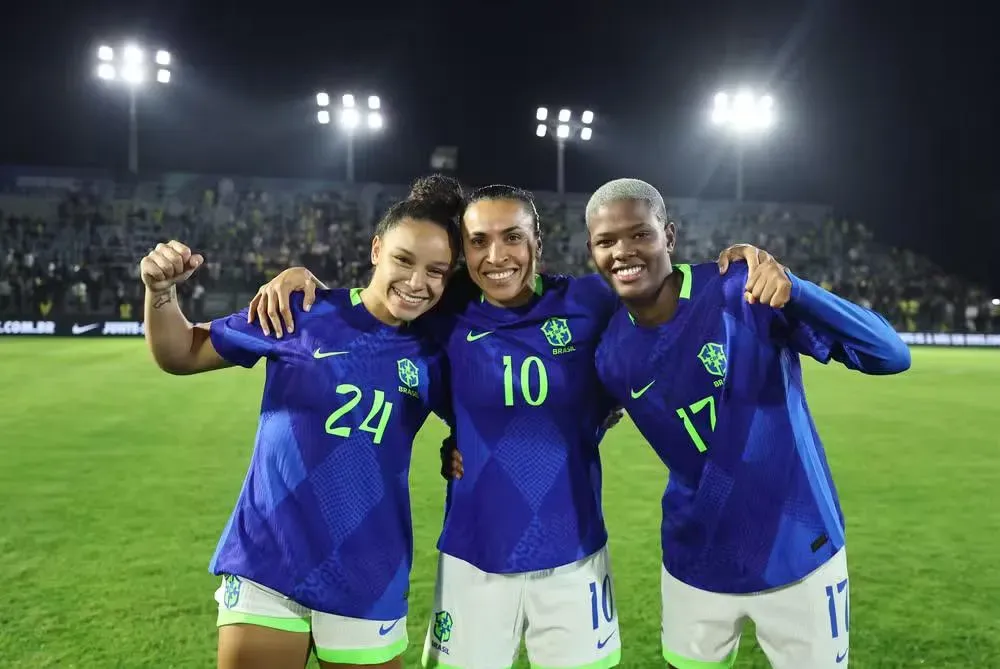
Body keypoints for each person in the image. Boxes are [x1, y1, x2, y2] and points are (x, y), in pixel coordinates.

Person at [250, 183, 771, 669]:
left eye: (513, 238)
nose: (497, 257)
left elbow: (658, 288)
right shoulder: (444, 314)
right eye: (478, 242)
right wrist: (306, 283)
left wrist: (741, 264)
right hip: (474, 558)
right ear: (463, 253)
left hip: (574, 554)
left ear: (537, 242)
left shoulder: (590, 301)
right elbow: (378, 304)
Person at [585, 178, 912, 669]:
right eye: (606, 241)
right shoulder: (610, 352)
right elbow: (578, 424)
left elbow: (890, 354)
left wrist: (797, 288)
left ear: (668, 236)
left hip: (799, 549)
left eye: (640, 234)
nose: (623, 251)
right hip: (693, 562)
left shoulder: (743, 290)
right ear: (591, 250)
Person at [139, 175, 462, 669]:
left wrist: (460, 449)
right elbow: (180, 352)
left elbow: (490, 419)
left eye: (436, 271)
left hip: (367, 571)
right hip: (269, 558)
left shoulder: (436, 352)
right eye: (403, 260)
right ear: (377, 250)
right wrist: (161, 292)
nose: (418, 282)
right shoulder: (302, 311)